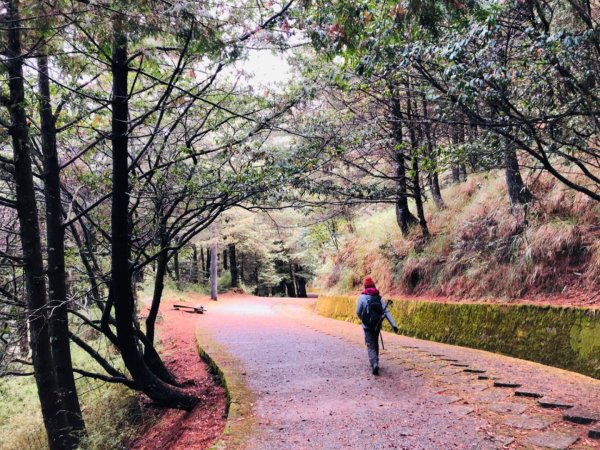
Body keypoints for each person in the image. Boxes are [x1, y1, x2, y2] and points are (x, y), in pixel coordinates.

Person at [356, 276, 398, 375]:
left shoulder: (362, 297)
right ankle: (376, 361)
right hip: (377, 324)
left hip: (367, 326)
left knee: (370, 345)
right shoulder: (378, 297)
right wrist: (394, 326)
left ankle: (374, 363)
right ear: (373, 285)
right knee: (375, 342)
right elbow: (386, 312)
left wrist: (363, 319)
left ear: (365, 286)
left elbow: (358, 312)